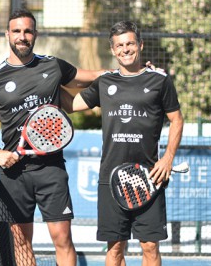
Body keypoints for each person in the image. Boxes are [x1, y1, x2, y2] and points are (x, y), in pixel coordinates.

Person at [0, 9, 106, 266]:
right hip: (14, 174)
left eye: (27, 31)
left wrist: (132, 71)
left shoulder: (53, 65)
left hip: (51, 169)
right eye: (17, 31)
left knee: (63, 239)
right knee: (21, 243)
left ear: (35, 34)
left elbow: (92, 76)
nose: (22, 36)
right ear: (7, 34)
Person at [61, 21, 184, 266]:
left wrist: (168, 157)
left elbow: (177, 119)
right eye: (120, 45)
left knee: (150, 247)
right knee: (115, 248)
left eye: (130, 43)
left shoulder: (159, 81)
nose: (125, 49)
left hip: (150, 177)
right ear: (113, 50)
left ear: (140, 45)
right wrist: (48, 82)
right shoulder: (105, 83)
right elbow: (71, 105)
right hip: (110, 178)